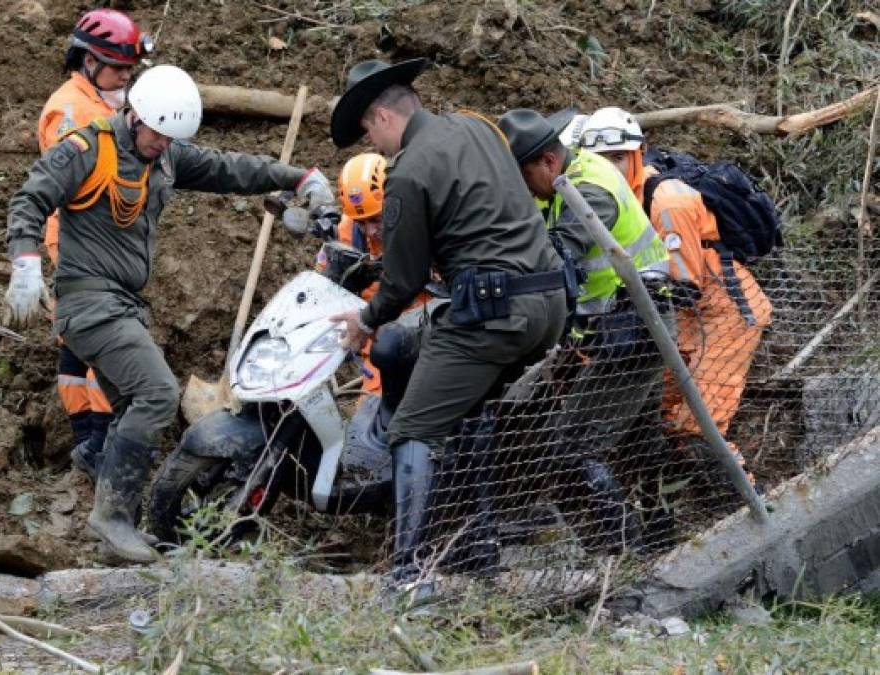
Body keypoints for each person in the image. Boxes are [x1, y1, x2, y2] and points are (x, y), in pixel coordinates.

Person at [4, 64, 335, 562]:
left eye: (171, 138)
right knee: (158, 393)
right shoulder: (88, 148)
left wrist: (299, 177)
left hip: (123, 306)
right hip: (89, 302)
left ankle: (119, 532)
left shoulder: (166, 154)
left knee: (131, 409)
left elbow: (228, 168)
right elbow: (30, 197)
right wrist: (25, 261)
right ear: (135, 116)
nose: (163, 144)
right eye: (158, 134)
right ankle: (112, 519)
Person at [328, 60, 570, 597]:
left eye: (368, 130)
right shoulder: (479, 127)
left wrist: (363, 322)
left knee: (412, 429)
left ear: (384, 116)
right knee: (467, 419)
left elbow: (402, 279)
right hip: (550, 302)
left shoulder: (409, 171)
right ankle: (476, 551)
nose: (373, 142)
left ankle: (409, 577)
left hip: (495, 314)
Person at [497, 108, 673, 553]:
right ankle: (659, 541)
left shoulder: (589, 192)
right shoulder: (569, 176)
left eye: (522, 177)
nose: (522, 189)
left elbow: (557, 258)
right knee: (640, 444)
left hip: (633, 329)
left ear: (548, 163)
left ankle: (622, 554)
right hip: (627, 328)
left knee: (572, 447)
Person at [578, 106, 771, 479]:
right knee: (665, 415)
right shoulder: (610, 199)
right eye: (600, 159)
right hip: (679, 317)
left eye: (618, 157)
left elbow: (682, 285)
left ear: (638, 153)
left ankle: (755, 512)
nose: (610, 168)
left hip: (723, 311)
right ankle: (683, 502)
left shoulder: (669, 201)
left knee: (698, 426)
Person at [38, 8, 152, 481]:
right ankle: (97, 441)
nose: (125, 77)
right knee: (106, 342)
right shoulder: (72, 112)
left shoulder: (99, 103)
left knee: (78, 348)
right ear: (88, 61)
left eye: (130, 69)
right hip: (84, 245)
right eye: (117, 68)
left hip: (94, 243)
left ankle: (88, 443)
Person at [319, 152, 428, 401]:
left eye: (376, 219)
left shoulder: (422, 225)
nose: (370, 230)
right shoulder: (347, 232)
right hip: (379, 346)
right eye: (361, 222)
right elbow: (323, 288)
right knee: (369, 423)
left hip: (430, 340)